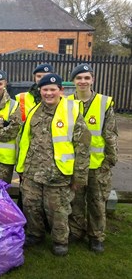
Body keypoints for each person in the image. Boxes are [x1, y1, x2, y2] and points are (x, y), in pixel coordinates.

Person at [16, 73, 90, 256]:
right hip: (33, 171)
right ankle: (35, 234)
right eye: (45, 90)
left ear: (61, 90)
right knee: (30, 205)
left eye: (52, 89)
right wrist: (22, 169)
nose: (49, 93)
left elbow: (83, 145)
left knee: (57, 210)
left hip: (58, 173)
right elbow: (25, 141)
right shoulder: (34, 111)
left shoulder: (71, 110)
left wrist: (79, 176)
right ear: (40, 90)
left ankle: (60, 241)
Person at [67, 64, 118, 253]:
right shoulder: (66, 103)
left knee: (97, 202)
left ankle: (96, 236)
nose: (82, 81)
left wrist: (110, 160)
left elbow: (110, 134)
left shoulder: (104, 103)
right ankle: (76, 231)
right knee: (75, 200)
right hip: (74, 164)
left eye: (86, 78)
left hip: (98, 165)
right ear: (73, 81)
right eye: (79, 78)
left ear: (92, 80)